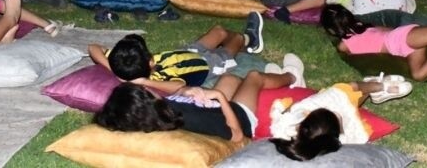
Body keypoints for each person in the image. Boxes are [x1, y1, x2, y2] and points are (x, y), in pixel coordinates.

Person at [95, 66, 303, 143]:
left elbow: (178, 91)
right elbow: (238, 135)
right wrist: (219, 97)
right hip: (241, 117)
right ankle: (292, 76)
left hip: (212, 107)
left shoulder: (160, 110)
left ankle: (270, 82)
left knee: (230, 78)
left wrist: (190, 92)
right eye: (143, 91)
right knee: (255, 76)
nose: (147, 89)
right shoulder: (189, 117)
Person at [88, 14, 266, 94]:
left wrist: (115, 70)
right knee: (234, 39)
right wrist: (142, 81)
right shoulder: (159, 77)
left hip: (187, 52)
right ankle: (248, 40)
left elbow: (93, 47)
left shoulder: (127, 62)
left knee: (218, 31)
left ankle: (243, 44)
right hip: (208, 64)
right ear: (150, 62)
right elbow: (177, 88)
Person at [267, 74, 412, 160]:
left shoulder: (288, 127)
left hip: (313, 118)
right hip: (335, 124)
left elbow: (284, 113)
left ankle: (373, 85)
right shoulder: (343, 141)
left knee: (340, 96)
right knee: (345, 92)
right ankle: (377, 87)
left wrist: (293, 111)